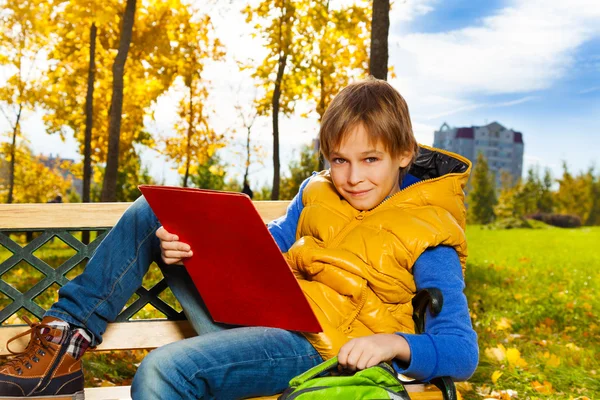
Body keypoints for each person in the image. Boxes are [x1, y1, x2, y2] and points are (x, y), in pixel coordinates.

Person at [0, 77, 478, 400]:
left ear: (403, 154)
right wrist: (188, 250)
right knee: (157, 211)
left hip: (319, 349)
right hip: (266, 312)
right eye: (338, 160)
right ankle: (64, 341)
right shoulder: (317, 192)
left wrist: (392, 344)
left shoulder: (430, 230)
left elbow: (461, 351)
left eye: (370, 159)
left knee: (161, 372)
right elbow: (263, 249)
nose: (352, 177)